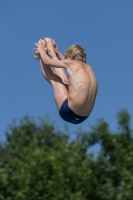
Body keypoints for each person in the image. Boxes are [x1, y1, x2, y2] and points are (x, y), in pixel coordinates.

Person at [34, 38, 98, 124]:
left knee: (56, 80)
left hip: (68, 112)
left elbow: (47, 61)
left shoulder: (71, 63)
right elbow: (67, 62)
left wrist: (41, 50)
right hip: (83, 117)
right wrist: (56, 53)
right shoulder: (89, 69)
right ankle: (51, 53)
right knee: (65, 80)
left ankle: (40, 58)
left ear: (69, 58)